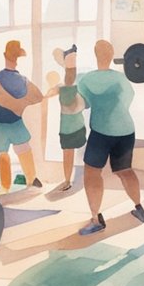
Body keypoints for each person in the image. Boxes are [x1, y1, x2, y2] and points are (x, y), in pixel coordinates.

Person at [74, 40, 144, 235]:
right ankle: (139, 208)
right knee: (125, 170)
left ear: (96, 55)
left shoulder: (86, 80)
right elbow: (127, 100)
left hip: (101, 132)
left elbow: (82, 105)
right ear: (112, 54)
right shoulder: (121, 79)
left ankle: (96, 219)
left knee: (91, 173)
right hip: (125, 130)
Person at [0, 40, 43, 192]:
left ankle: (5, 184)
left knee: (2, 154)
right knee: (23, 149)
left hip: (0, 123)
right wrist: (21, 103)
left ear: (4, 55)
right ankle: (31, 179)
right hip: (16, 122)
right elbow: (39, 96)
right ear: (18, 58)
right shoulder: (23, 81)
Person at [45, 46, 86, 194]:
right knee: (68, 153)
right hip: (67, 126)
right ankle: (68, 180)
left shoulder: (79, 81)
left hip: (77, 125)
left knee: (78, 152)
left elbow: (85, 101)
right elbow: (48, 94)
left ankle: (74, 180)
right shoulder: (61, 86)